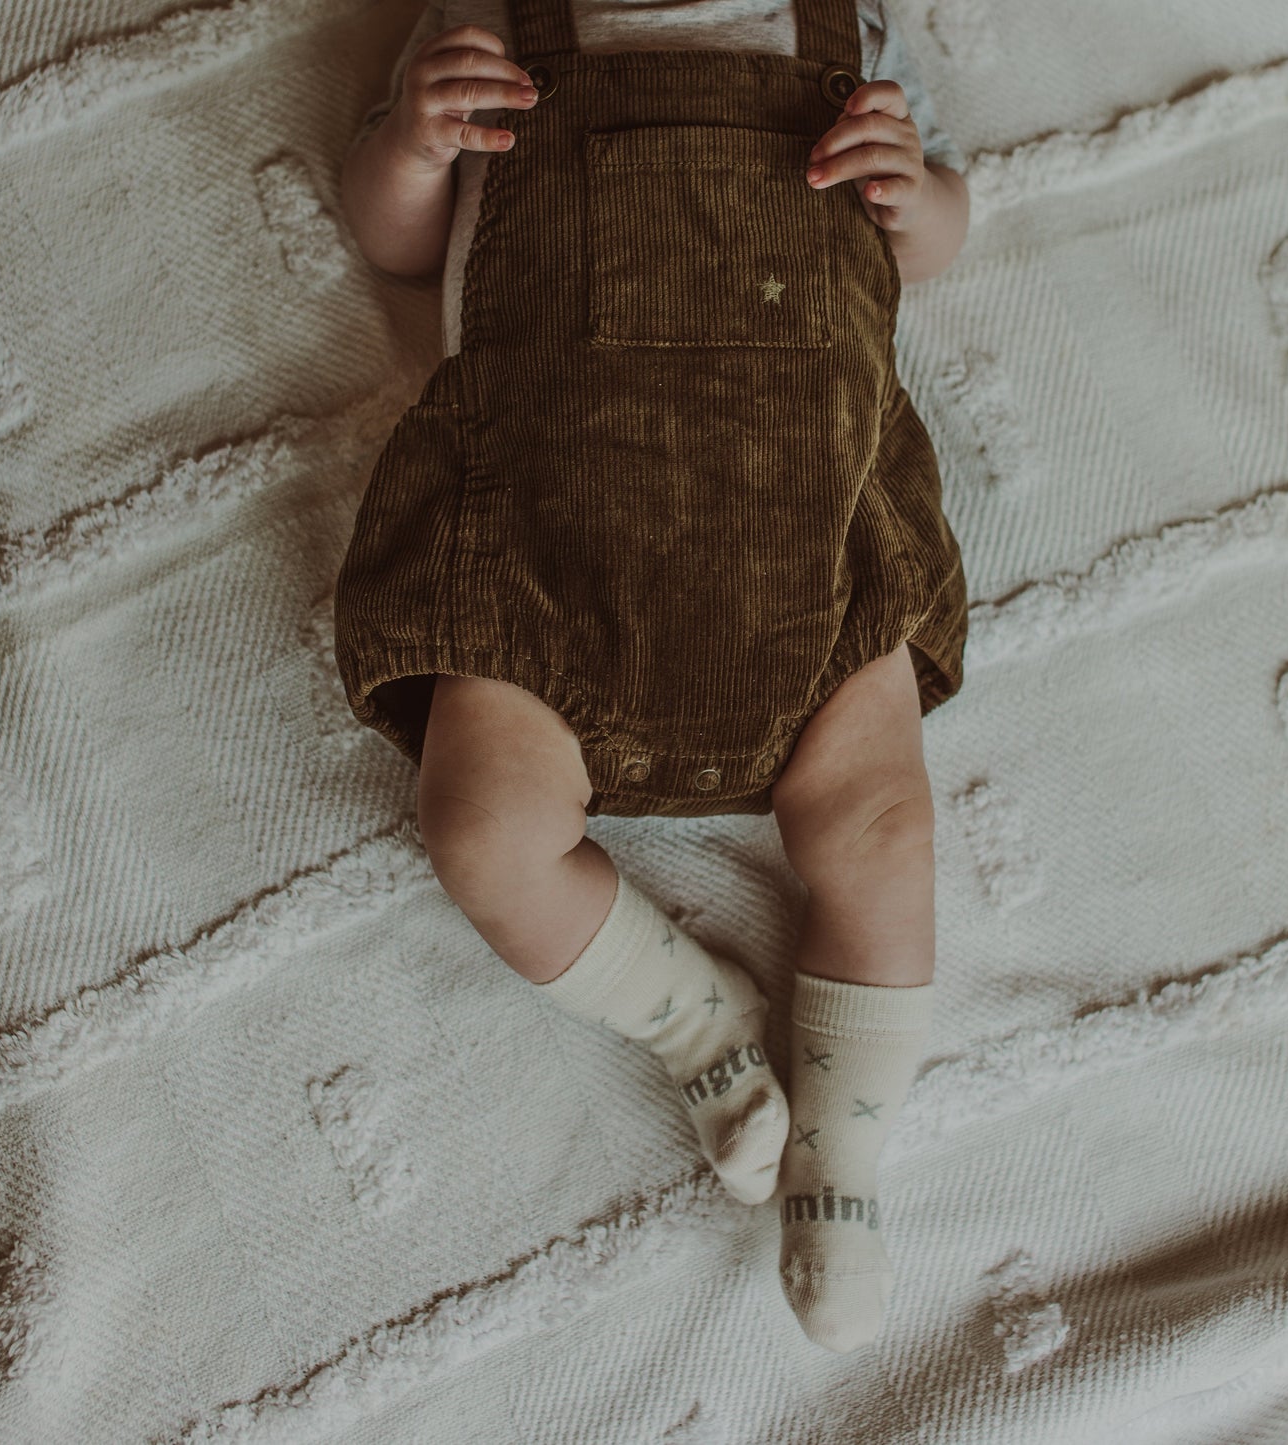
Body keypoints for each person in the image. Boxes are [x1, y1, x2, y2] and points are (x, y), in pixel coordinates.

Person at [333, 0, 970, 1353]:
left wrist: (913, 195)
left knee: (884, 830)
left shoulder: (848, 42)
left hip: (809, 529)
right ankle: (692, 1021)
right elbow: (395, 244)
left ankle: (843, 1157)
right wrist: (408, 143)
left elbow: (933, 245)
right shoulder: (487, 27)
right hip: (543, 558)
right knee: (482, 827)